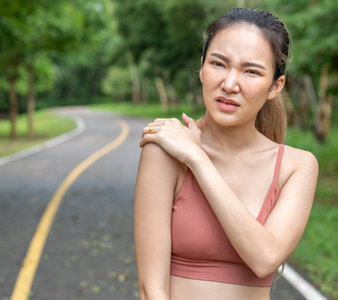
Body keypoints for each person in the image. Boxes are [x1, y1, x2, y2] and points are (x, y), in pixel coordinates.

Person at [134, 8, 318, 300]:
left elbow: (264, 258)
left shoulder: (297, 166)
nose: (230, 84)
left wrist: (198, 160)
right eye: (218, 64)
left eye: (251, 71)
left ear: (275, 86)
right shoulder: (165, 150)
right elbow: (151, 289)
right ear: (202, 68)